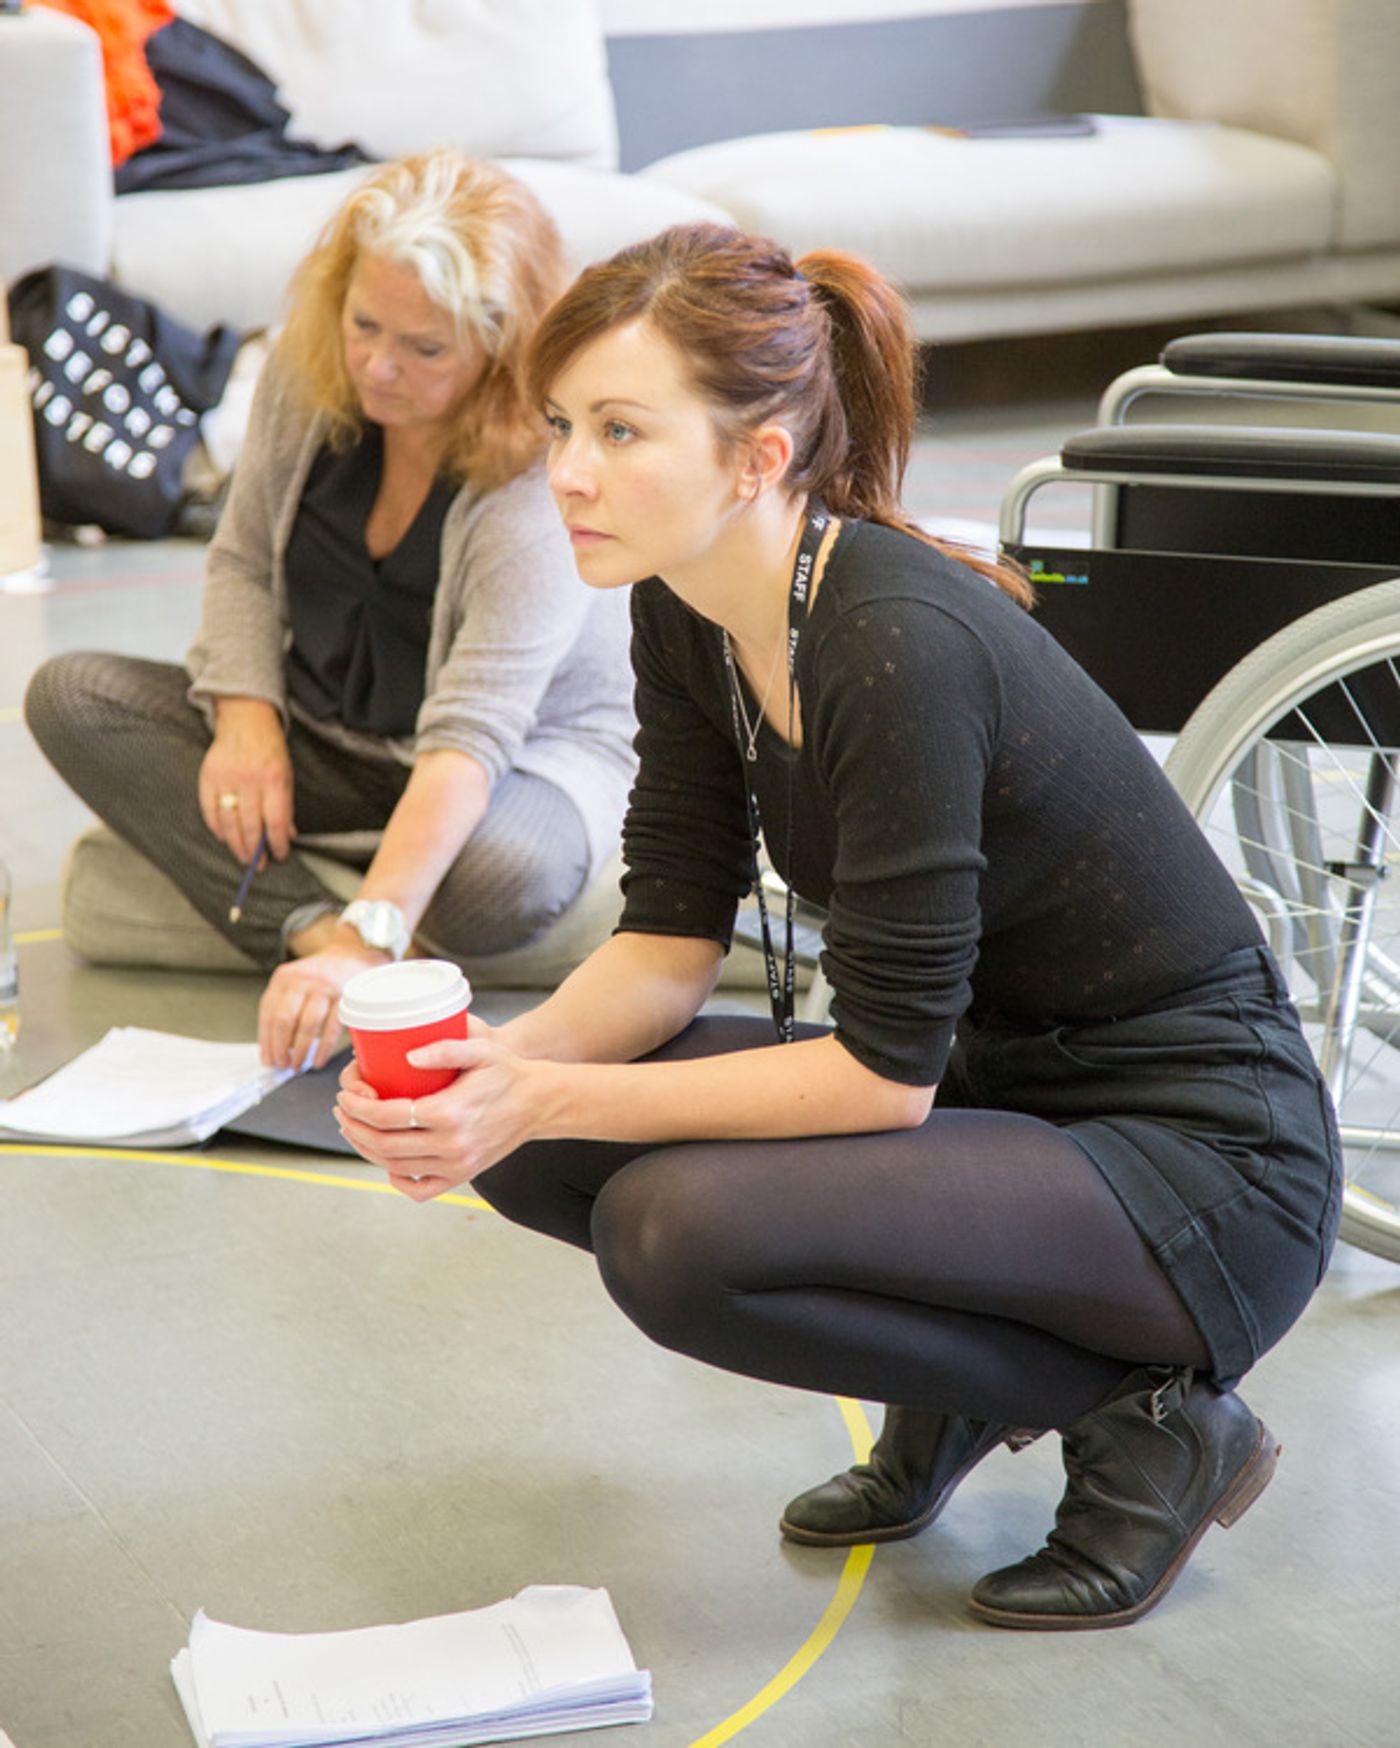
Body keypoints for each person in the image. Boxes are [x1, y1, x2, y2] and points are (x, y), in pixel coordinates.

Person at [332, 222, 1343, 1630]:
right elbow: (666, 942)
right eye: (560, 423)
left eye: (620, 429)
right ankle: (959, 1382)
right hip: (1002, 1109)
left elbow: (879, 1077)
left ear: (757, 457)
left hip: (1198, 1164)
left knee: (673, 1231)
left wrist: (542, 1086)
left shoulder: (892, 641)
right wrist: (488, 1075)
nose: (566, 470)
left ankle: (1155, 1426)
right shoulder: (685, 608)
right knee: (533, 1142)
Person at [25, 151, 636, 1071]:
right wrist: (245, 720)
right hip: (326, 735)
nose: (379, 367)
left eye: (425, 349)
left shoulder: (534, 484)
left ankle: (342, 916)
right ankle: (310, 927)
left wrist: (371, 934)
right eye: (364, 325)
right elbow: (241, 560)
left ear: (500, 348)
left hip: (514, 760)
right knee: (72, 695)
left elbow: (470, 739)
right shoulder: (309, 373)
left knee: (502, 877)